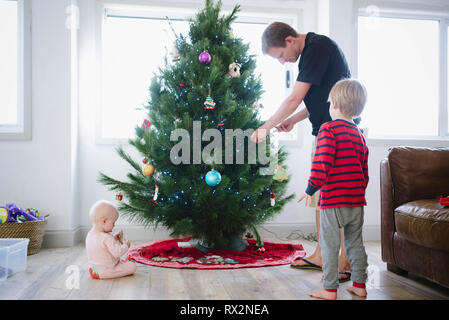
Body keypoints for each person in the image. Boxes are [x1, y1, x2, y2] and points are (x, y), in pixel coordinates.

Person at [250, 22, 359, 279]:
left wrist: (267, 126)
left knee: (336, 199)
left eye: (279, 56)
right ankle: (322, 255)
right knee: (323, 199)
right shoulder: (312, 53)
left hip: (339, 135)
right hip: (324, 132)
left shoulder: (317, 49)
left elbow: (293, 98)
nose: (282, 62)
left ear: (290, 40)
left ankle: (344, 262)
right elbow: (320, 99)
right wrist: (294, 120)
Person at [298, 78, 369, 300]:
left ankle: (329, 289)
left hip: (332, 201)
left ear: (335, 104)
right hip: (356, 201)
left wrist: (310, 189)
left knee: (329, 245)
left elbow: (322, 164)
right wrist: (357, 192)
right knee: (355, 243)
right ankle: (359, 284)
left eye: (329, 103)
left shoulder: (328, 129)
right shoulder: (359, 135)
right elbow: (364, 173)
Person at [85, 200, 136, 279]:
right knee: (132, 267)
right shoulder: (106, 238)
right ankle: (121, 266)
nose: (114, 225)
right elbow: (117, 253)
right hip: (106, 271)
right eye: (113, 223)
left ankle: (120, 265)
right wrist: (126, 246)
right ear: (104, 221)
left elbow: (102, 246)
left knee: (120, 263)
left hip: (93, 270)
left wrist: (114, 238)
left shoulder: (90, 235)